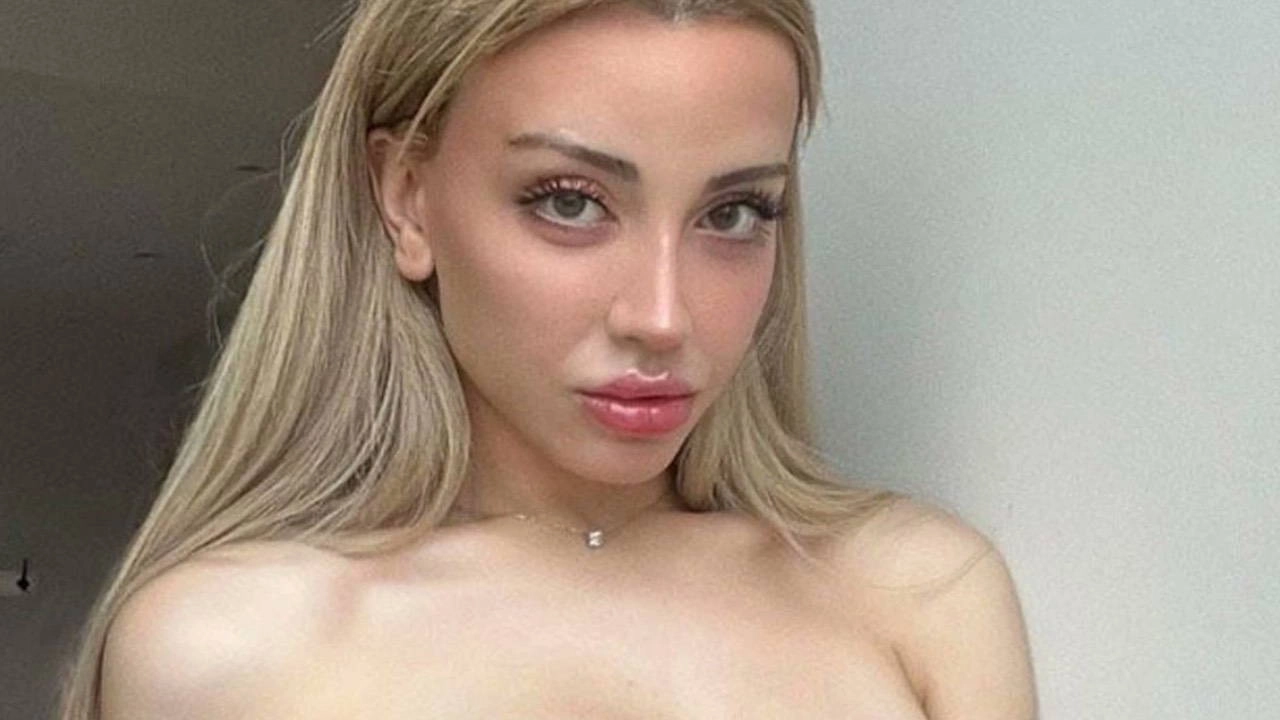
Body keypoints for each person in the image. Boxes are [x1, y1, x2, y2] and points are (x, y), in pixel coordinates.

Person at [59, 0, 1037, 717]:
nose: (662, 317)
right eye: (569, 202)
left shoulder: (920, 594)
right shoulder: (222, 648)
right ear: (406, 197)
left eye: (733, 213)